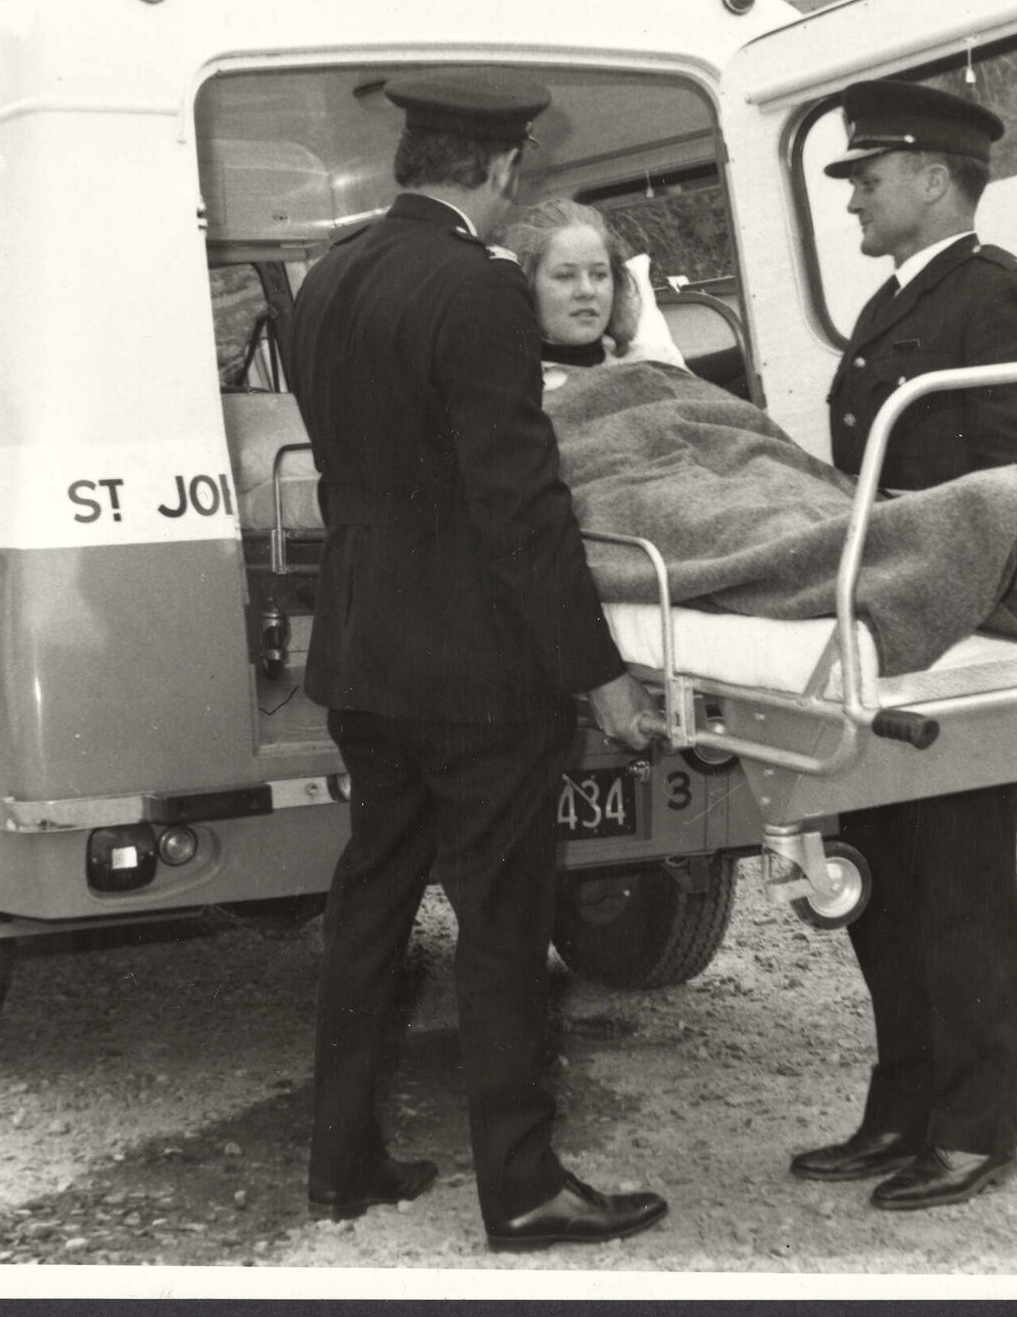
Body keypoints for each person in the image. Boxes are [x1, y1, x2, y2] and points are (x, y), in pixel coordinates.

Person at [285, 67, 669, 1253]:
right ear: (500, 166)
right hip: (473, 672)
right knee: (502, 922)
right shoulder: (480, 289)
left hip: (362, 652)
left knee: (372, 904)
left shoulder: (328, 278)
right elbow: (518, 505)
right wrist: (595, 667)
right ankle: (522, 1189)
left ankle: (339, 1161)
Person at [788, 78, 1017, 1212]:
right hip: (889, 627)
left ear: (930, 176)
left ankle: (969, 1129)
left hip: (957, 635)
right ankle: (900, 1110)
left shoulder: (994, 298)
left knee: (956, 891)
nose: (851, 196)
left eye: (865, 175)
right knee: (888, 884)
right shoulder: (895, 301)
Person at [492, 198, 687, 380]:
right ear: (527, 286)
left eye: (599, 275)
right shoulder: (509, 387)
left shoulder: (657, 364)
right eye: (565, 276)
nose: (587, 290)